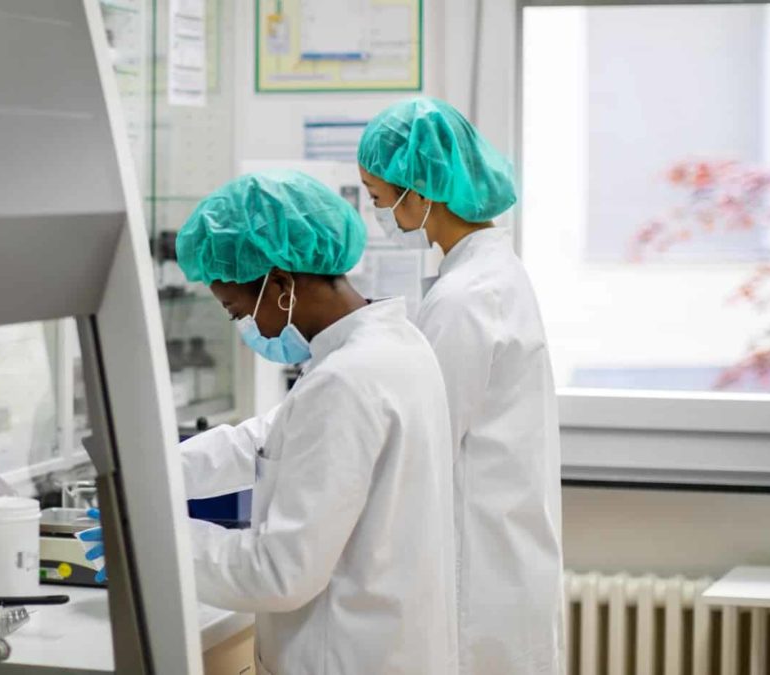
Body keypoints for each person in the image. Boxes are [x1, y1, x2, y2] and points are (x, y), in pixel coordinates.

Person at [155, 169, 457, 674]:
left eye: (236, 311)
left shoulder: (347, 379)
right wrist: (154, 476)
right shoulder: (392, 347)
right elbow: (266, 439)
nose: (247, 327)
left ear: (280, 284)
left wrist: (158, 541)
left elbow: (281, 573)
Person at [358, 97, 565, 675]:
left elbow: (422, 443)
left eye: (379, 197)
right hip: (506, 559)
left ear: (419, 191)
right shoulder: (493, 275)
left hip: (481, 576)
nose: (381, 215)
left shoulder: (464, 299)